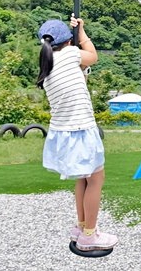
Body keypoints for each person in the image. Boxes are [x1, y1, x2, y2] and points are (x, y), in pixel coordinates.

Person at [36, 15, 118, 252]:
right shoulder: (70, 55)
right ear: (68, 42)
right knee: (96, 179)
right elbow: (93, 56)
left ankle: (82, 225)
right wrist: (82, 33)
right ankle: (89, 235)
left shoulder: (48, 64)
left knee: (84, 177)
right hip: (81, 129)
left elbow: (83, 67)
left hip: (63, 133)